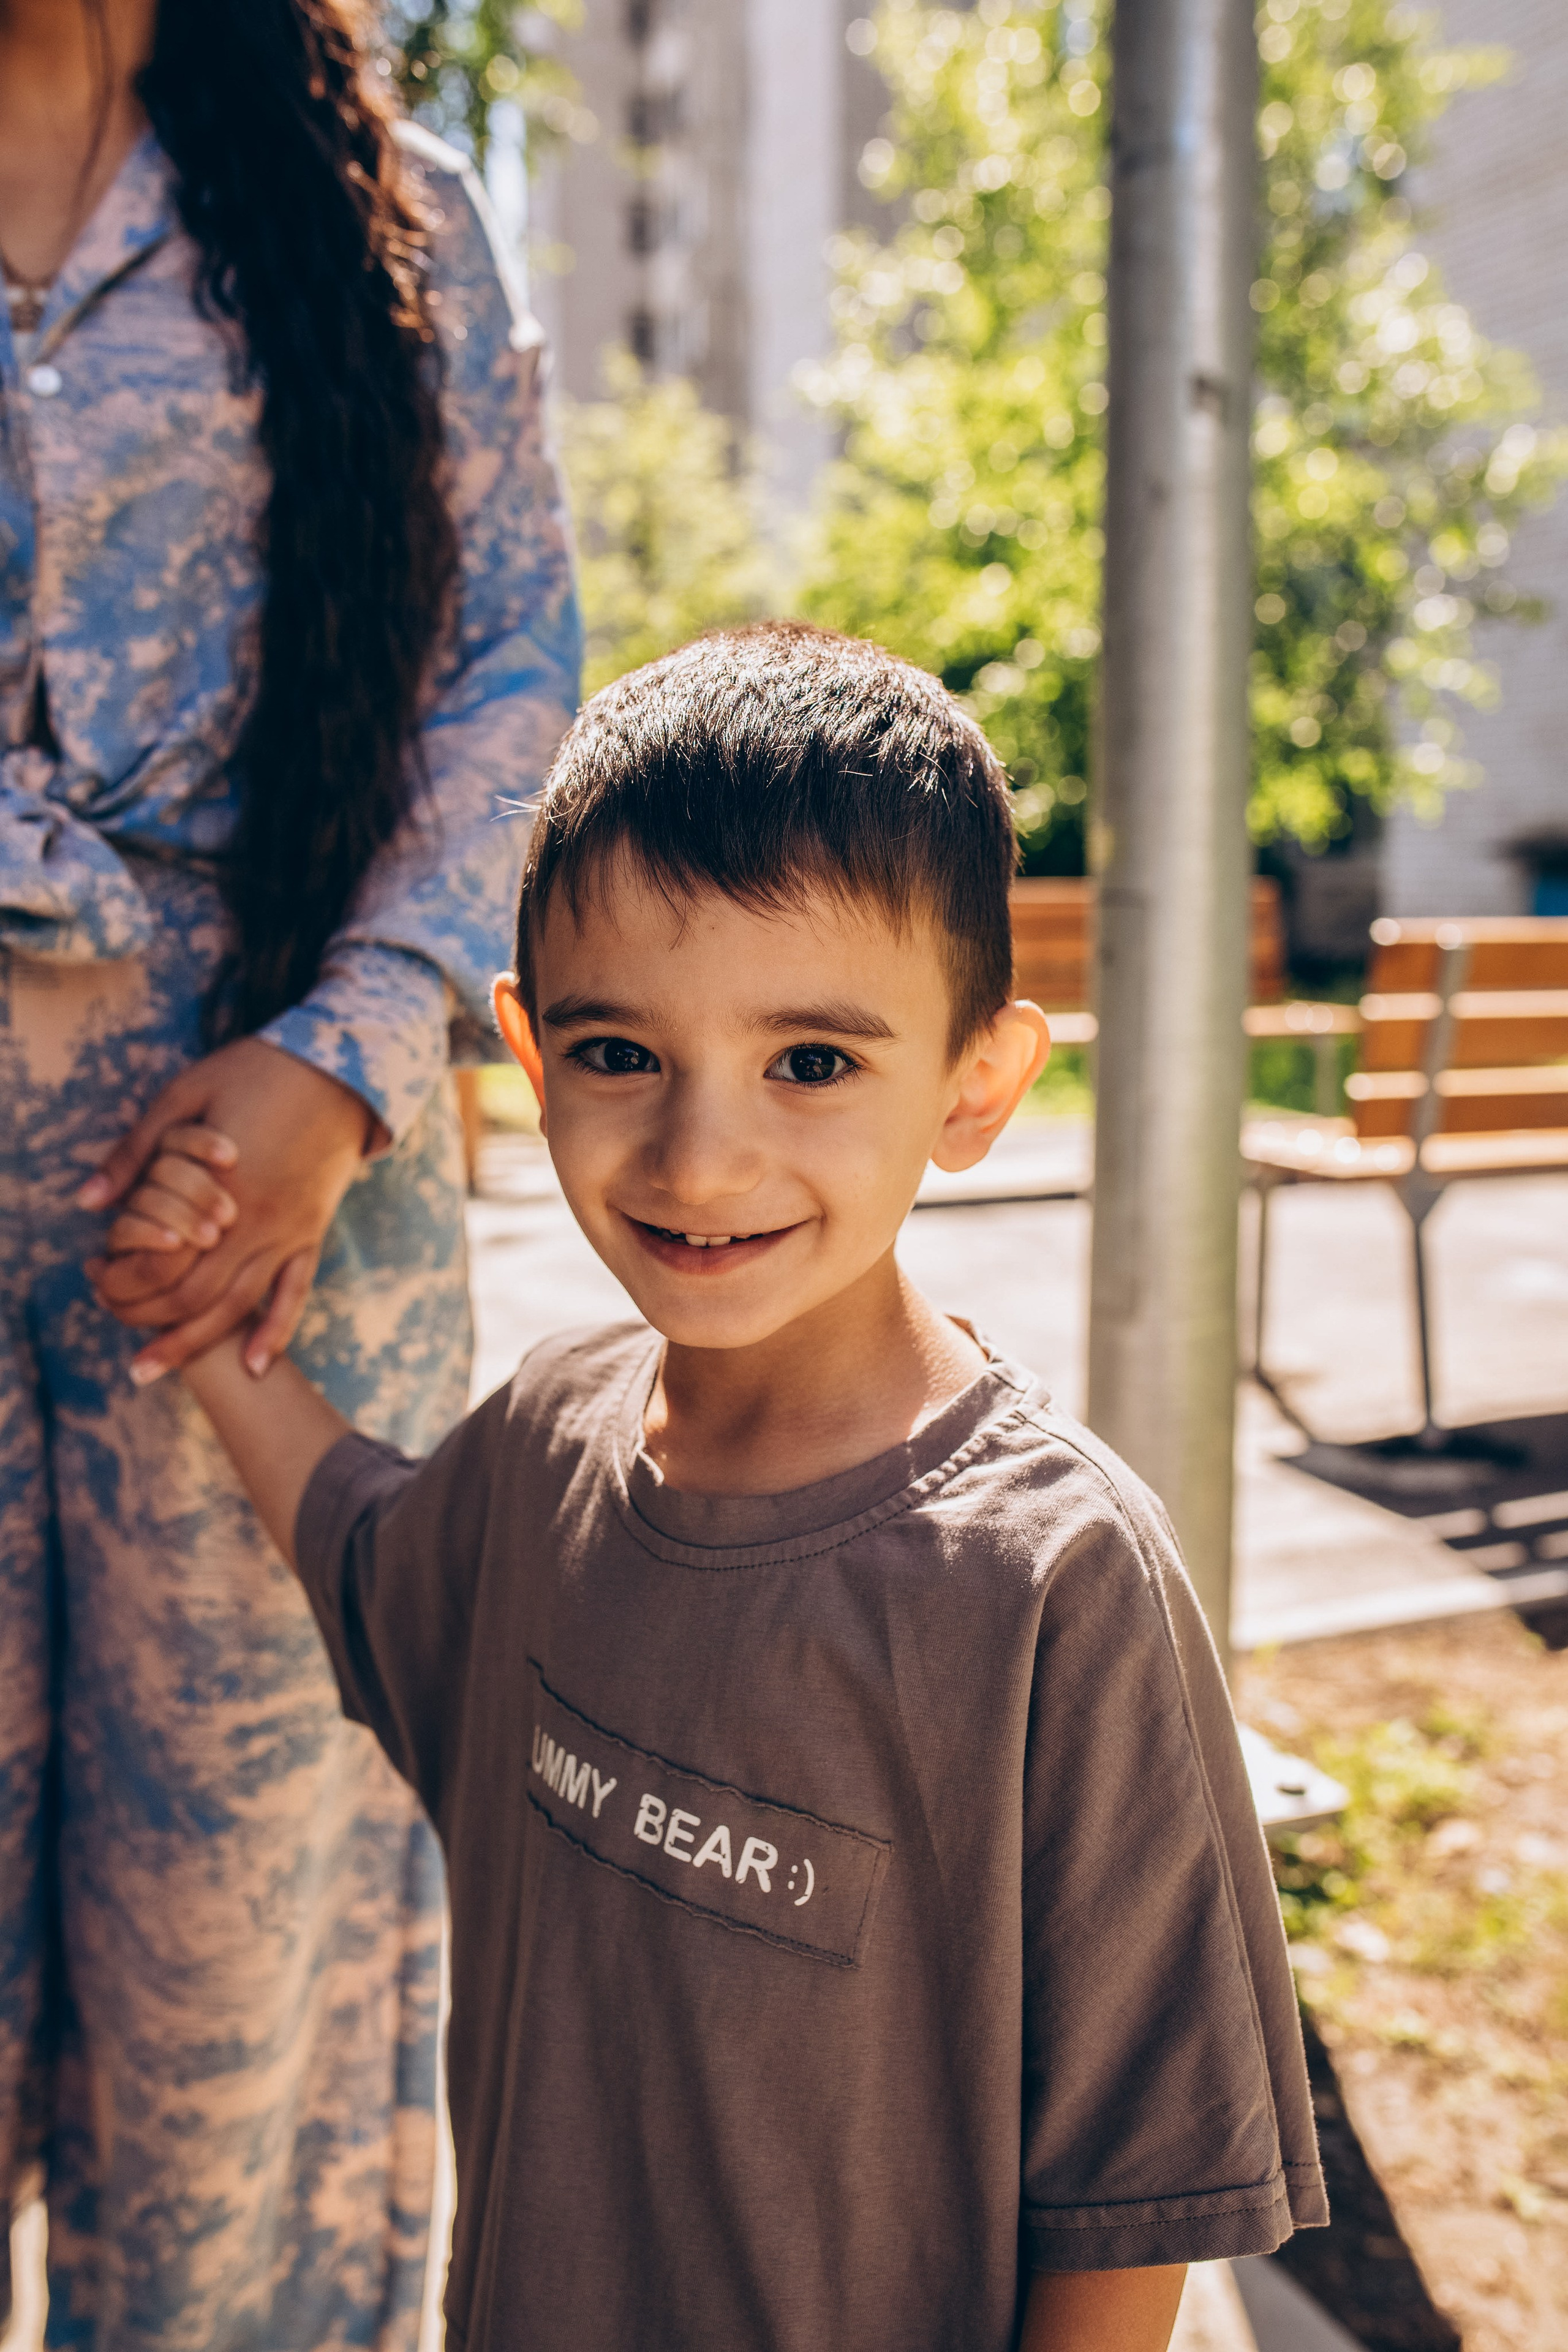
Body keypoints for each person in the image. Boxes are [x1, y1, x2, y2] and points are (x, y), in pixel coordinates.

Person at [175, 624, 1327, 2352]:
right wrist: (201, 1327)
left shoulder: (1055, 1584)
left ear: (977, 1082)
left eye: (811, 1063)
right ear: (525, 1044)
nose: (700, 1161)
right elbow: (366, 1552)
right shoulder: (549, 1438)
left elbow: (1132, 2207)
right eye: (620, 1054)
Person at [0, 0, 578, 2341]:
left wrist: (340, 1068)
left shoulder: (390, 224)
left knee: (247, 1980)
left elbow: (511, 672)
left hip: (276, 1229)